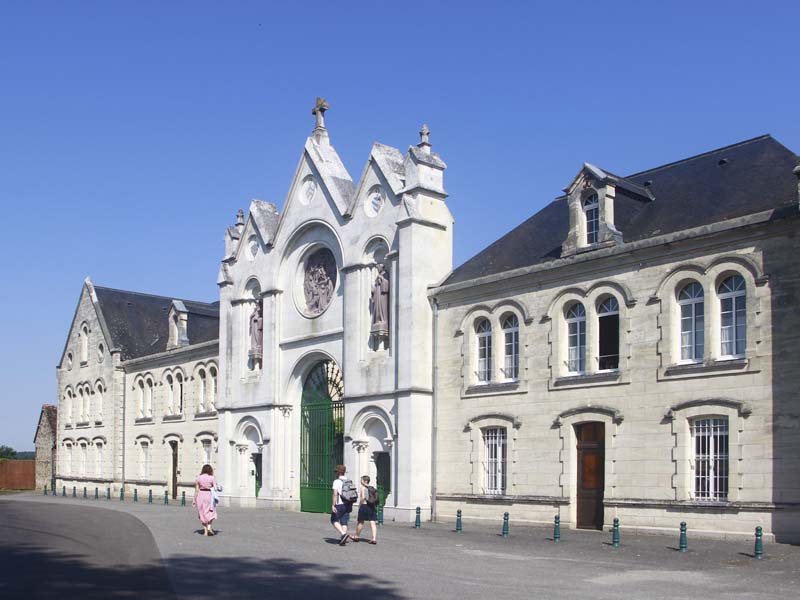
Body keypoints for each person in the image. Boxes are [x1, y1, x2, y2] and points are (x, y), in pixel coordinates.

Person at [192, 464, 218, 536]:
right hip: (209, 495)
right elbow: (215, 489)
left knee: (202, 512)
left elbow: (196, 490)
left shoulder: (198, 478)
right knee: (211, 511)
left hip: (200, 495)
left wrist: (194, 500)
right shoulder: (212, 478)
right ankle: (209, 527)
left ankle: (205, 531)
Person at [351, 475, 378, 545]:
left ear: (365, 481)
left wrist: (360, 505)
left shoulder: (363, 488)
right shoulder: (372, 488)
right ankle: (374, 538)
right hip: (372, 506)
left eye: (361, 480)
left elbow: (363, 498)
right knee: (372, 522)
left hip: (365, 506)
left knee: (360, 522)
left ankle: (356, 536)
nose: (360, 481)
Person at [331, 464, 353, 545]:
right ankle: (343, 539)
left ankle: (343, 534)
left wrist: (333, 505)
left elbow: (335, 494)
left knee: (334, 520)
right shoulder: (349, 480)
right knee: (344, 521)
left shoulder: (337, 481)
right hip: (348, 504)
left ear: (338, 472)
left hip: (339, 503)